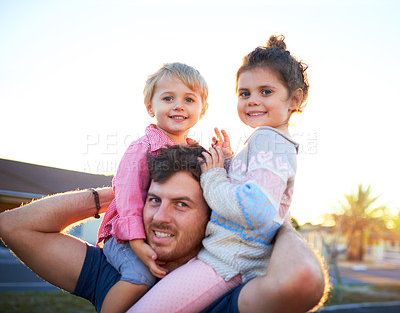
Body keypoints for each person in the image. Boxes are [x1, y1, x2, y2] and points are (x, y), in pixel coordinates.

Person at [0, 144, 326, 312]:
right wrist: (126, 193)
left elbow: (303, 280)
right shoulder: (117, 270)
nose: (161, 217)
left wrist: (270, 219)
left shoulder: (227, 290)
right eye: (154, 200)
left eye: (182, 204)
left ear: (214, 215)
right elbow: (14, 226)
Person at [128, 34, 311, 312]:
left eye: (266, 92)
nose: (252, 100)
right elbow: (252, 189)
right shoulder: (274, 143)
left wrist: (213, 176)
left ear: (294, 98)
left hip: (226, 262)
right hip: (228, 256)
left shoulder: (266, 138)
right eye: (244, 93)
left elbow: (255, 208)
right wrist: (227, 161)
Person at [97, 62, 208, 312]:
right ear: (150, 107)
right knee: (141, 278)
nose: (179, 105)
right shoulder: (142, 148)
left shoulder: (195, 153)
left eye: (189, 99)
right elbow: (128, 201)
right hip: (125, 238)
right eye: (168, 98)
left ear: (203, 109)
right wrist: (137, 243)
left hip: (161, 236)